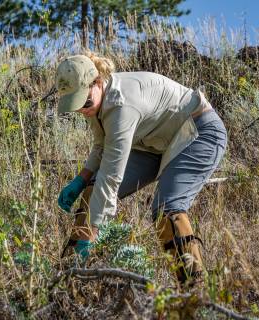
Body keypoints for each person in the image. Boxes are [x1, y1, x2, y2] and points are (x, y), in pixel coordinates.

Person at [56, 53, 227, 287]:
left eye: (85, 103)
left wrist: (92, 232)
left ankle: (195, 293)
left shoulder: (122, 106)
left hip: (196, 132)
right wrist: (80, 180)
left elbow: (111, 177)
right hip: (153, 143)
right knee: (91, 190)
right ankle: (70, 279)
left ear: (97, 82)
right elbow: (101, 145)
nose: (83, 110)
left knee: (167, 210)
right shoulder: (96, 101)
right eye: (76, 106)